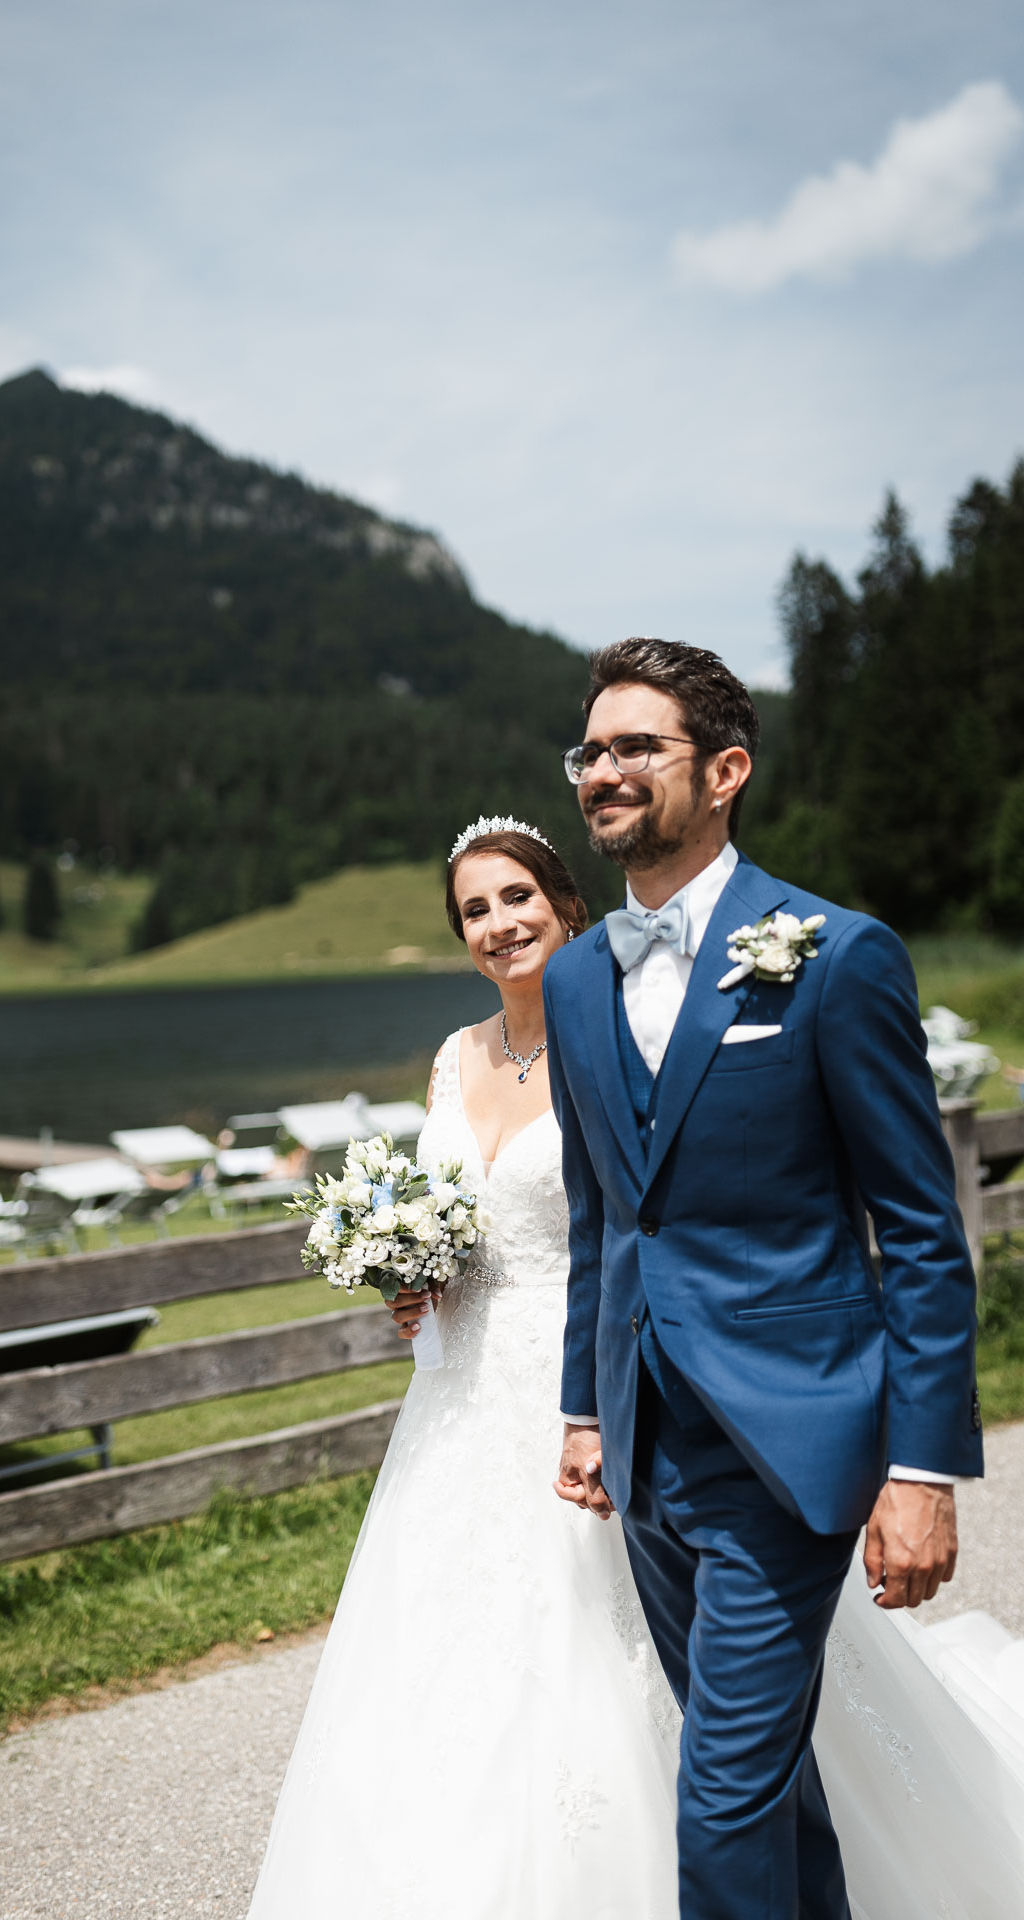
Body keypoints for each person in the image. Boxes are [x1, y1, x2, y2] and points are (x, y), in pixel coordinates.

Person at [543, 637, 984, 1919]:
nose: (604, 772)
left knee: (721, 1797)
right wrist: (586, 1408)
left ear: (726, 771)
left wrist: (921, 1471)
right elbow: (600, 1219)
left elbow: (920, 1229)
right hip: (647, 1445)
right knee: (762, 1785)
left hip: (790, 1437)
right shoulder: (574, 977)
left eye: (639, 746)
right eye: (591, 751)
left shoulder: (836, 955)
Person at [246, 817, 682, 1919]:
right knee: (440, 1642)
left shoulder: (624, 1032)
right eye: (474, 911)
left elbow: (639, 1227)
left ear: (567, 904)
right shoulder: (453, 1055)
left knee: (594, 1631)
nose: (498, 924)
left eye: (516, 897)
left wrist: (606, 1402)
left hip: (584, 1374)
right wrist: (414, 1274)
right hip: (455, 1393)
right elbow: (454, 1215)